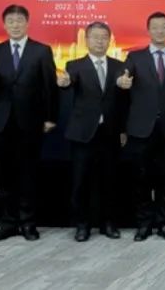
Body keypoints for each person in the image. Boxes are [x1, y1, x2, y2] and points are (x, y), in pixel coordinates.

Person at [0, 4, 58, 242]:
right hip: (1, 122)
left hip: (31, 121)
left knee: (28, 174)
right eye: (11, 21)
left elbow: (49, 86)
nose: (15, 25)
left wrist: (50, 117)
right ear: (4, 25)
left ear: (27, 23)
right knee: (4, 175)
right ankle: (7, 223)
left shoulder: (41, 51)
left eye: (19, 21)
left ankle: (28, 223)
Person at [120, 12, 165, 242]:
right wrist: (121, 82)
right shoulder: (134, 57)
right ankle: (144, 223)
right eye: (155, 27)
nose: (160, 31)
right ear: (148, 30)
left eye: (164, 27)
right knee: (141, 177)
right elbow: (123, 84)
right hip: (141, 128)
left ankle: (164, 223)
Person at [58, 21, 128, 242]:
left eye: (104, 37)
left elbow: (124, 103)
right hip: (83, 133)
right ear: (86, 40)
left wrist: (123, 130)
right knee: (81, 181)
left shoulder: (119, 66)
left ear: (110, 41)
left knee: (110, 180)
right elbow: (69, 82)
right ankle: (82, 225)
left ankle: (109, 223)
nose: (100, 41)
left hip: (110, 132)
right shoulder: (74, 65)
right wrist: (64, 82)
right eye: (95, 37)